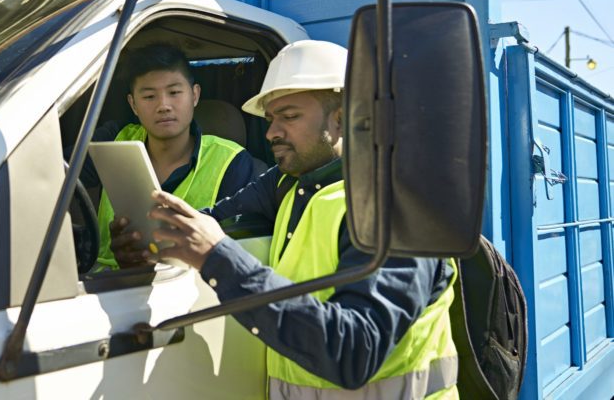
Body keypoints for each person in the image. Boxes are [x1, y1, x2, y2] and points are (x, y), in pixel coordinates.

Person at [145, 40, 459, 399]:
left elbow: (356, 352)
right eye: (270, 119)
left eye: (289, 117)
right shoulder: (287, 181)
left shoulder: (398, 209)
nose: (271, 133)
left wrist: (219, 258)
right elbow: (208, 221)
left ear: (343, 118)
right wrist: (155, 241)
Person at [87, 43, 256, 269]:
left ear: (194, 95)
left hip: (189, 293)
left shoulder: (231, 162)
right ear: (133, 104)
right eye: (149, 96)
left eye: (175, 93)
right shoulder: (113, 139)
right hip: (101, 289)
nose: (163, 106)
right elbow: (56, 174)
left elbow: (235, 254)